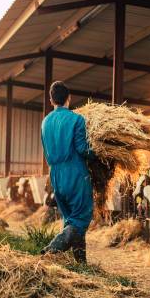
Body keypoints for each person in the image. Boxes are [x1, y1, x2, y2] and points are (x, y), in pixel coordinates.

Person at [40, 81, 93, 263]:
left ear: (51, 100)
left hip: (56, 175)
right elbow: (82, 149)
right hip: (75, 173)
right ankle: (53, 247)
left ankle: (81, 264)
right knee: (81, 217)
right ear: (69, 99)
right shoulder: (76, 119)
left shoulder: (45, 122)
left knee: (70, 219)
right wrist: (98, 153)